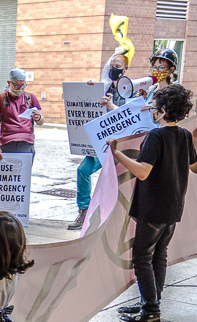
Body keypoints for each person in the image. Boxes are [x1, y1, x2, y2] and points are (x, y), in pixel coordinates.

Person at [107, 84, 197, 322]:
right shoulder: (184, 135)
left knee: (142, 257)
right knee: (159, 256)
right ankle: (151, 304)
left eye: (154, 107)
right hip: (172, 209)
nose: (151, 111)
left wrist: (116, 153)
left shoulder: (156, 136)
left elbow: (142, 172)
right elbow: (196, 167)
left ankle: (150, 312)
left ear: (161, 111)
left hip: (153, 208)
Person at [68, 53, 130, 230]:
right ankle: (84, 212)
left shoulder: (130, 90)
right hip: (101, 144)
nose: (113, 68)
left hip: (120, 145)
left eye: (117, 65)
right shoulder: (104, 87)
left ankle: (114, 218)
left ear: (125, 69)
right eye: (111, 65)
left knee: (116, 180)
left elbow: (130, 116)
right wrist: (89, 89)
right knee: (83, 170)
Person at [0, 69, 44, 164]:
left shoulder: (30, 98)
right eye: (16, 85)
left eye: (22, 85)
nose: (20, 88)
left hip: (26, 144)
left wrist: (38, 118)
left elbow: (41, 121)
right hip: (7, 144)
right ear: (9, 83)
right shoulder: (1, 98)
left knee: (23, 176)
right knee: (7, 176)